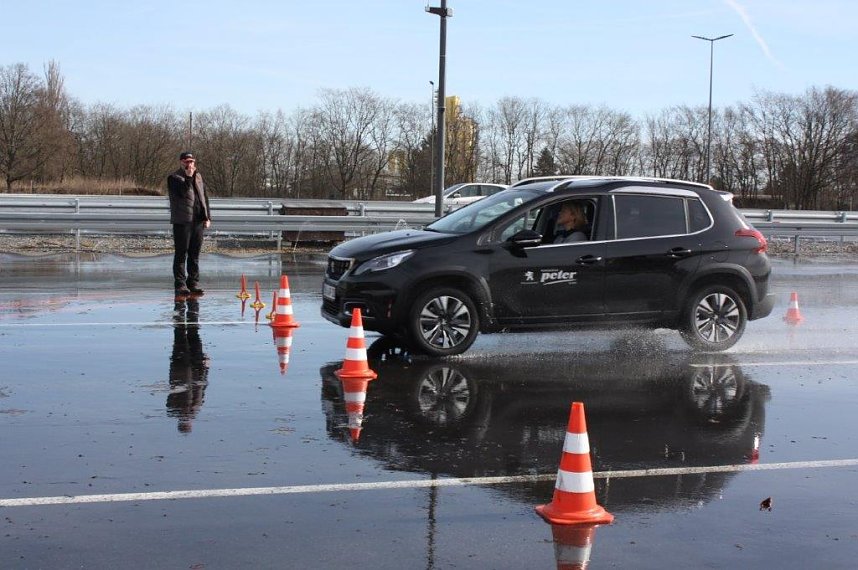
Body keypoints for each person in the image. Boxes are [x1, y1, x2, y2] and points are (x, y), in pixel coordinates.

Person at [167, 152, 211, 295]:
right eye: (186, 161)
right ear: (181, 162)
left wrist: (207, 217)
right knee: (181, 254)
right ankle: (180, 284)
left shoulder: (198, 177)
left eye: (191, 161)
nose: (189, 164)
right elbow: (182, 193)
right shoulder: (174, 178)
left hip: (197, 221)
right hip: (182, 221)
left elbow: (204, 198)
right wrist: (188, 176)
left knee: (195, 254)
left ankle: (193, 282)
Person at [167, 297, 210, 433]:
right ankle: (187, 304)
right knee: (186, 335)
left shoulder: (181, 408)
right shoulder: (181, 408)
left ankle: (186, 305)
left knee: (189, 335)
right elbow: (200, 388)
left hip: (184, 369)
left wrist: (206, 368)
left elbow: (200, 388)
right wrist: (206, 369)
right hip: (183, 368)